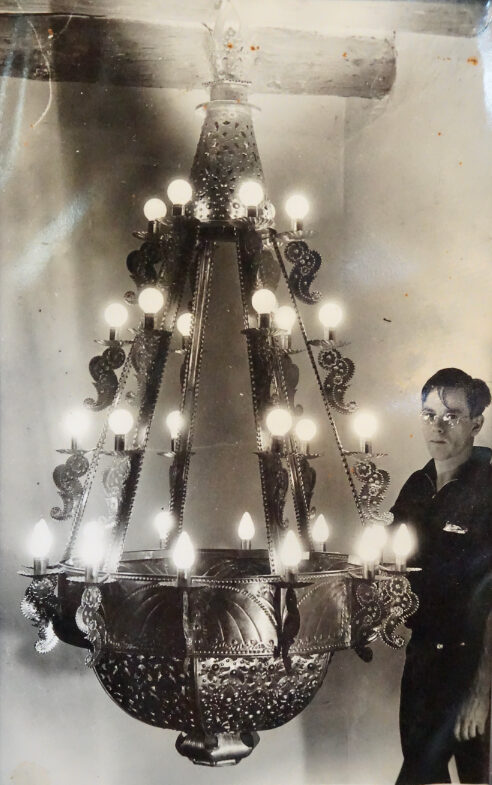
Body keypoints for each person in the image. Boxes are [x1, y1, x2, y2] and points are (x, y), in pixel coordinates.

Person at [390, 368, 492, 785]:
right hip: (422, 659)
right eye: (428, 413)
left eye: (451, 415)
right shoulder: (418, 485)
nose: (437, 425)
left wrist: (482, 689)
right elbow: (390, 564)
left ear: (476, 423)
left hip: (471, 661)